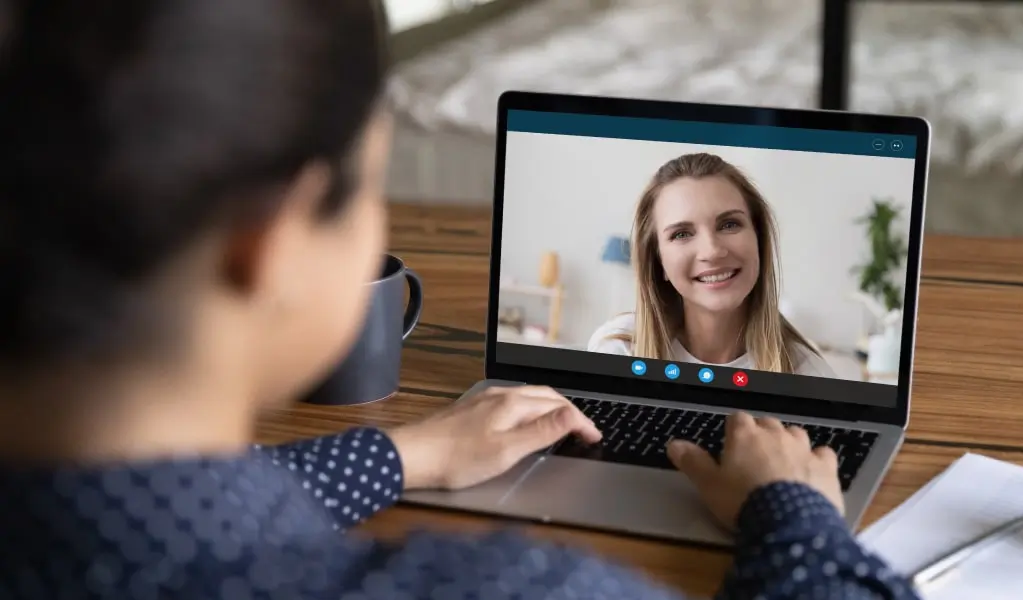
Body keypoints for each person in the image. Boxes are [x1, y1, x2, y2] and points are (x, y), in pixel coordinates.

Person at [0, 1, 919, 598]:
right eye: (373, 182)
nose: (708, 250)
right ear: (269, 244)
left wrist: (401, 454)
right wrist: (794, 515)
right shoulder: (514, 588)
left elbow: (153, 504)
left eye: (728, 225)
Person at [588, 153, 839, 379]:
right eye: (681, 234)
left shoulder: (809, 376)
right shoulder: (618, 351)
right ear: (659, 261)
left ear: (759, 239)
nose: (712, 251)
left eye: (729, 225)